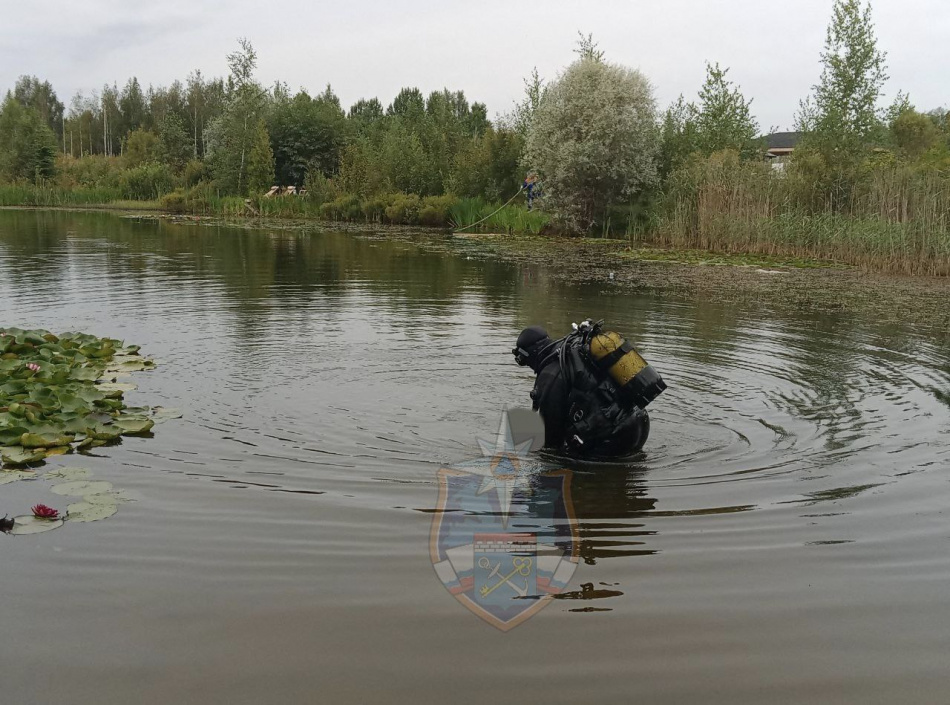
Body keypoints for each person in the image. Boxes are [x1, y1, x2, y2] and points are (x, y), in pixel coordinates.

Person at [512, 322, 665, 458]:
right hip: (639, 420)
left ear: (531, 354)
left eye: (524, 361)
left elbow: (551, 436)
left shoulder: (550, 374)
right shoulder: (575, 350)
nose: (528, 366)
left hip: (613, 437)